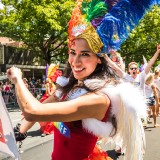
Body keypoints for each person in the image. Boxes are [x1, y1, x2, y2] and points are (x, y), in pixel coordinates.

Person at [7, 0, 155, 159]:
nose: (75, 61)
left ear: (99, 59)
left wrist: (18, 80)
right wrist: (20, 131)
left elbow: (33, 112)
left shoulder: (99, 99)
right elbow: (42, 107)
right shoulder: (69, 87)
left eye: (85, 54)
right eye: (72, 52)